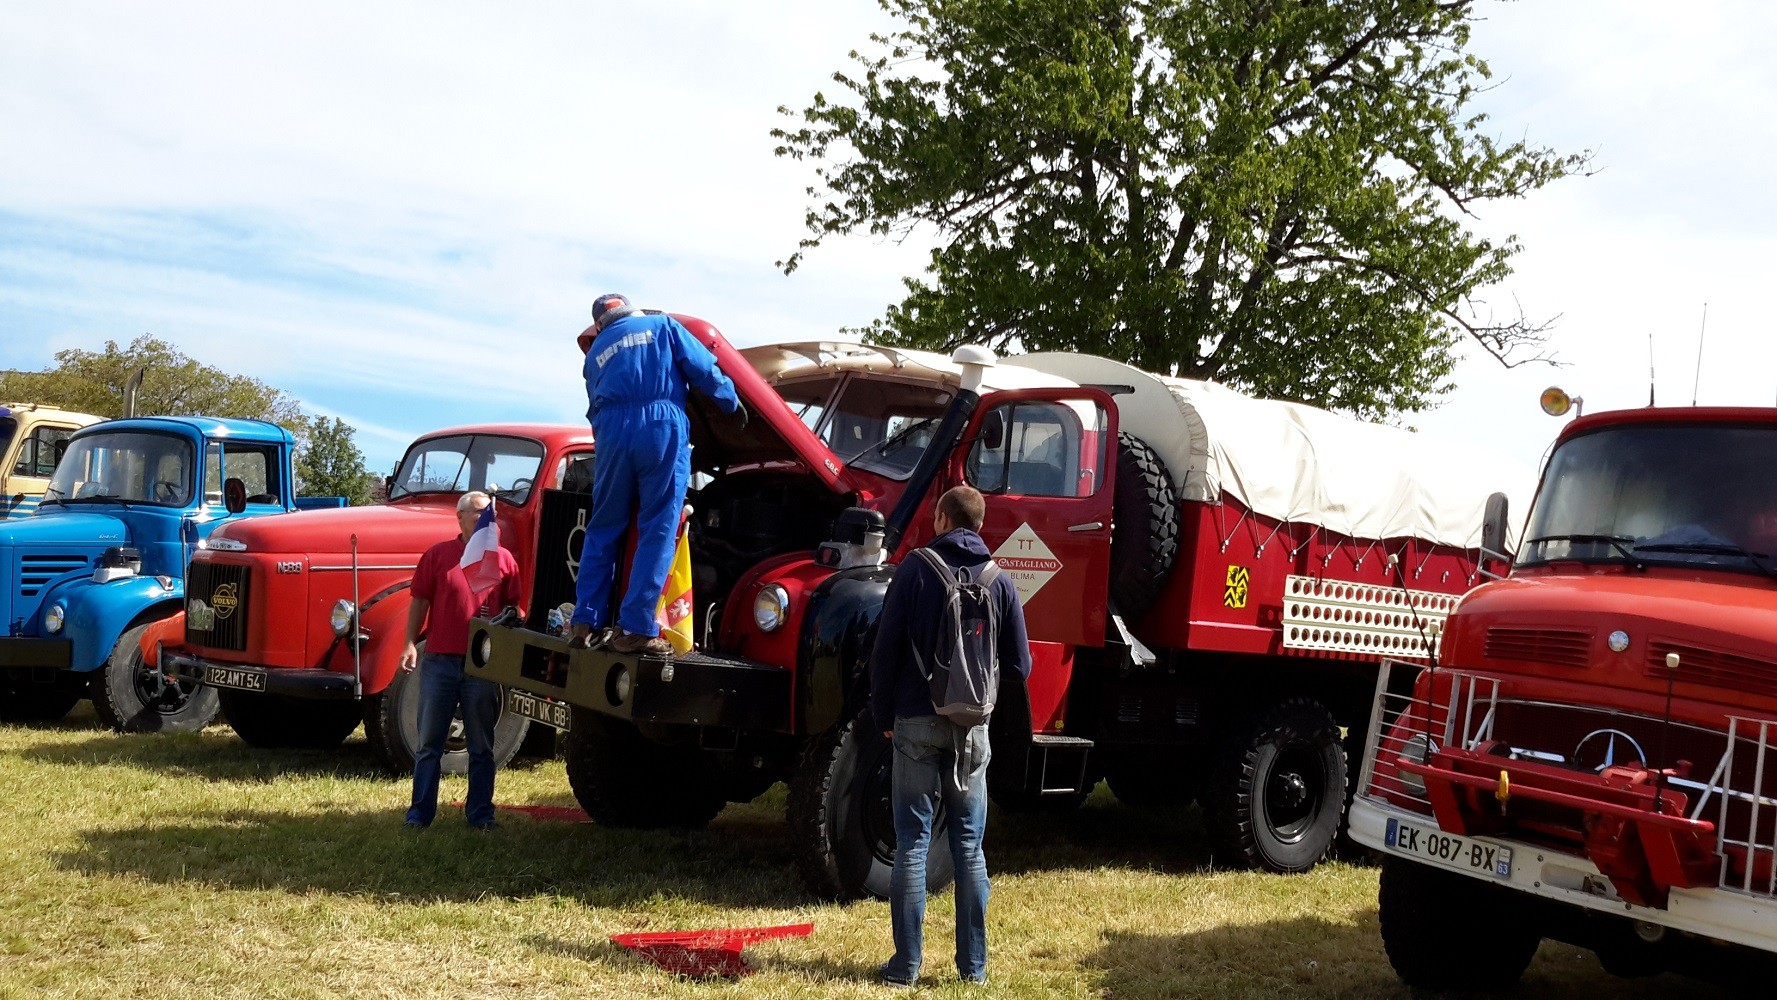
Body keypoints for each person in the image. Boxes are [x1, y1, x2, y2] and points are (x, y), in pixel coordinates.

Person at [869, 485, 1032, 987]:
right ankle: (974, 969)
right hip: (972, 730)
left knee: (913, 842)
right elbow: (1021, 665)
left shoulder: (916, 569)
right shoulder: (1000, 580)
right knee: (969, 847)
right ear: (980, 526)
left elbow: (885, 650)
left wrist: (884, 715)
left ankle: (905, 968)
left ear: (941, 518)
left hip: (915, 721)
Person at [569, 293, 741, 655]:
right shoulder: (662, 326)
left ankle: (583, 621)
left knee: (603, 527)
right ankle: (634, 627)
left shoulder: (596, 352)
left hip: (613, 434)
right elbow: (703, 368)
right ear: (633, 309)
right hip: (660, 425)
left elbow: (594, 409)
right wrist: (730, 401)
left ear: (601, 324)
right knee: (659, 526)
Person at [401, 490, 522, 829]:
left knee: (482, 746)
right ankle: (419, 816)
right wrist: (410, 642)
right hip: (439, 662)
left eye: (490, 513)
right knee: (429, 745)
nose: (489, 518)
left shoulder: (503, 559)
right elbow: (419, 601)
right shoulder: (438, 556)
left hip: (481, 666)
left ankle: (481, 815)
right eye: (482, 512)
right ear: (461, 516)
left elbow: (516, 608)